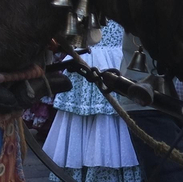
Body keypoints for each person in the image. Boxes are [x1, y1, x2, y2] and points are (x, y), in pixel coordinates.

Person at [44, 19, 141, 182]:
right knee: (83, 116)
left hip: (112, 57)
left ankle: (102, 172)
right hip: (87, 55)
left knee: (110, 115)